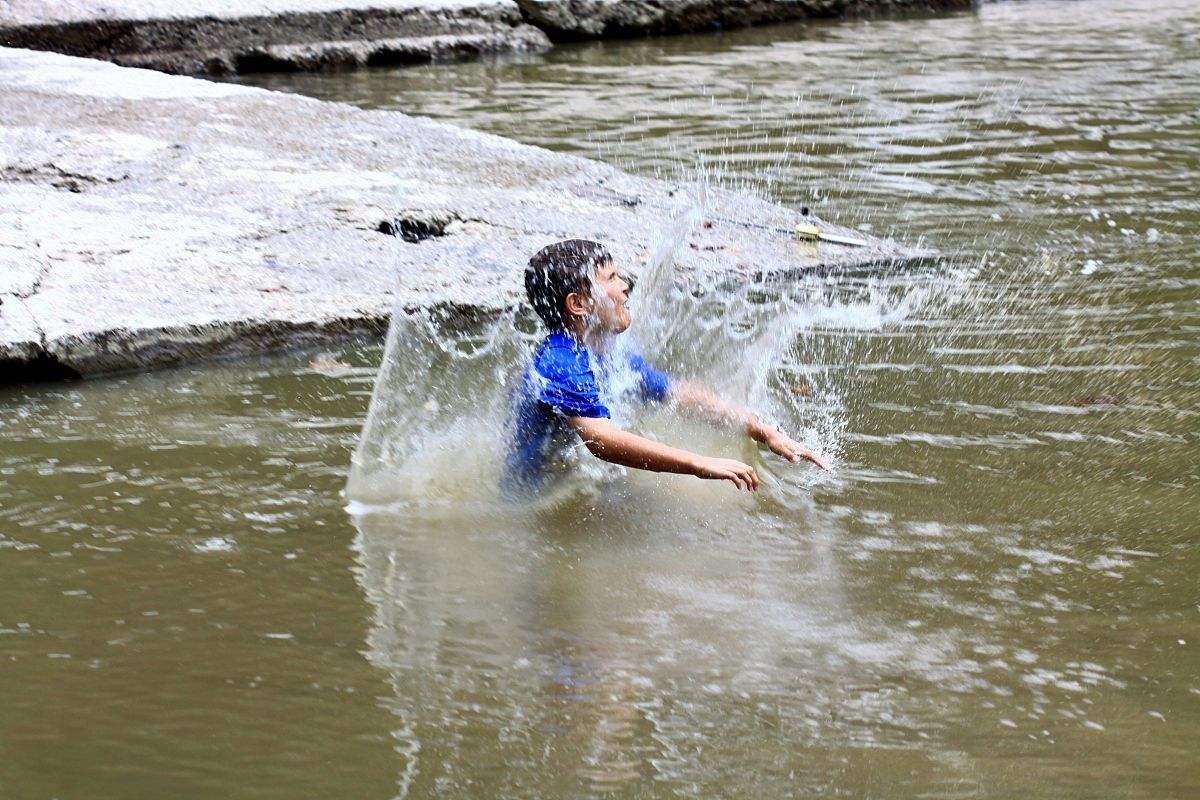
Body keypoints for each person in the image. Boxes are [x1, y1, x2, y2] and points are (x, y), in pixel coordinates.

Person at [502, 239, 828, 497]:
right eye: (611, 278)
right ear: (578, 303)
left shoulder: (607, 351)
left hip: (570, 482)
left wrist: (762, 430)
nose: (626, 285)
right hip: (535, 499)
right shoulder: (562, 362)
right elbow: (601, 440)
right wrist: (698, 463)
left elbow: (679, 395)